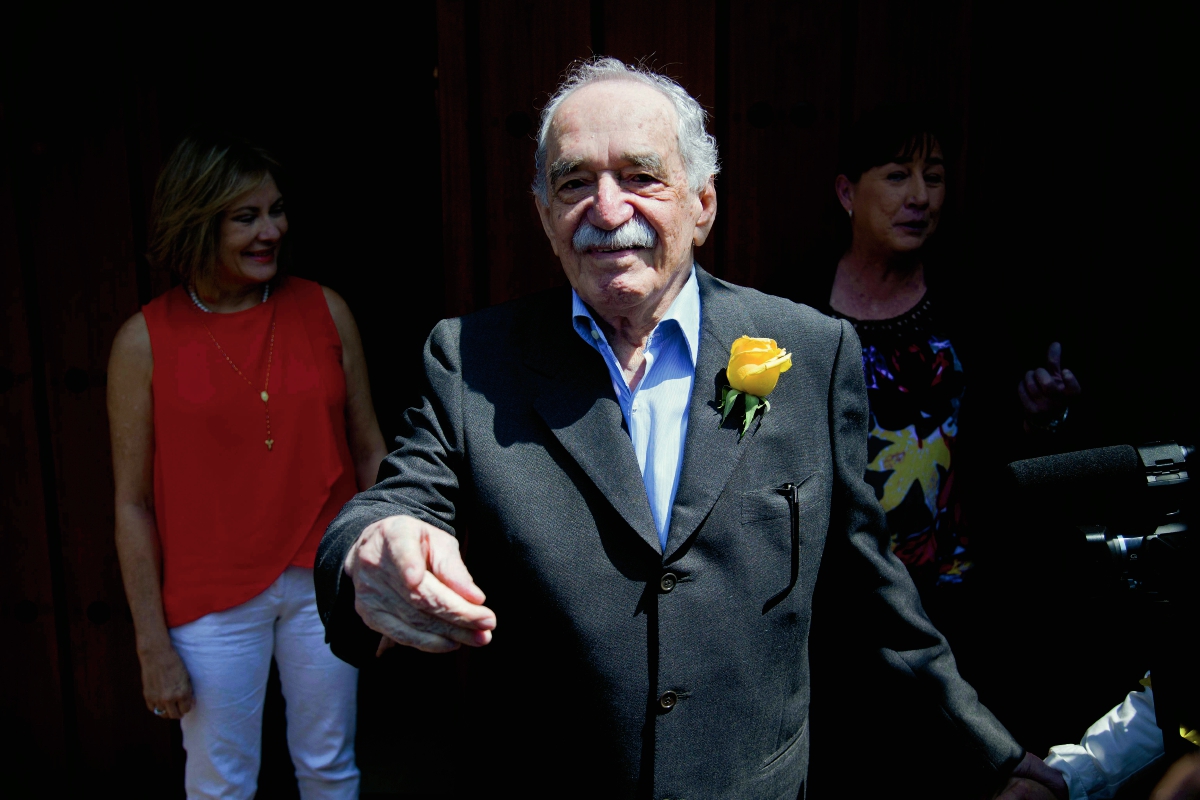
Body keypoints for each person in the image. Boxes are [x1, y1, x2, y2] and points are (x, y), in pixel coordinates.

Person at [315, 58, 1064, 798]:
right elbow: (399, 502)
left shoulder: (807, 349)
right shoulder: (473, 359)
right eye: (575, 183)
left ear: (703, 203)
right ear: (544, 215)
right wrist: (368, 549)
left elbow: (868, 587)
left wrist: (990, 752)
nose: (607, 211)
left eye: (642, 177)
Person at [107, 136, 387, 798]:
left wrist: (386, 575)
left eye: (277, 211)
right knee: (221, 785)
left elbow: (372, 450)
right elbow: (131, 503)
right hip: (210, 601)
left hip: (323, 580)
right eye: (246, 217)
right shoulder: (143, 341)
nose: (272, 231)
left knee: (329, 769)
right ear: (198, 222)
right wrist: (152, 645)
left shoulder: (325, 309)